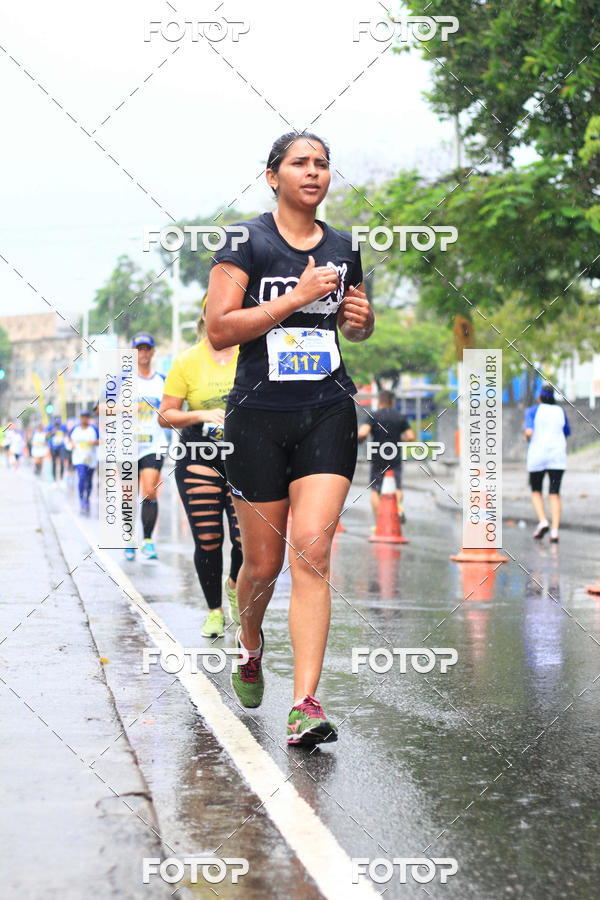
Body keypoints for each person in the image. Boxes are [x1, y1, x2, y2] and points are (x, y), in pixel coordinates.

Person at [206, 131, 374, 746]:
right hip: (256, 416)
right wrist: (295, 298)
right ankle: (249, 646)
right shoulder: (246, 241)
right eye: (300, 163)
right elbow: (220, 330)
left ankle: (305, 703)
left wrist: (361, 321)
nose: (314, 172)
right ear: (272, 175)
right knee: (262, 564)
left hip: (327, 409)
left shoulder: (344, 247)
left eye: (323, 163)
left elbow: (354, 324)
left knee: (313, 549)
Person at [159, 301, 242, 638]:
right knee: (208, 539)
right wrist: (201, 415)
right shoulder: (187, 361)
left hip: (247, 454)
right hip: (199, 453)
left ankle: (235, 584)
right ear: (206, 318)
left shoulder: (252, 354)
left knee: (245, 540)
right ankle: (214, 611)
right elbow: (165, 415)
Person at [125, 332, 167, 561]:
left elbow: (173, 406)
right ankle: (129, 540)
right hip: (128, 445)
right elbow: (99, 408)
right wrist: (122, 408)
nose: (142, 353)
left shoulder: (162, 379)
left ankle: (148, 540)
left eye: (146, 349)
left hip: (154, 443)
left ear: (152, 352)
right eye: (138, 349)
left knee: (149, 490)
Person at [357, 389, 415, 524]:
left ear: (380, 401)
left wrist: (358, 441)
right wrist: (400, 442)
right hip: (394, 456)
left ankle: (380, 523)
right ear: (392, 401)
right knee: (397, 487)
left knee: (375, 490)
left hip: (377, 456)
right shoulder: (400, 417)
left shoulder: (373, 416)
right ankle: (398, 508)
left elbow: (362, 433)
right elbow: (411, 436)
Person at [524, 381, 570, 543]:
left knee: (536, 490)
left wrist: (527, 437)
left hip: (537, 456)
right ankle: (555, 532)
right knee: (554, 493)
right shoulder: (560, 411)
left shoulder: (532, 411)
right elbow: (566, 432)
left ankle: (543, 521)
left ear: (539, 397)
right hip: (557, 457)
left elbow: (529, 432)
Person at [69, 410, 99, 513]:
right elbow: (69, 439)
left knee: (89, 481)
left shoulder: (93, 429)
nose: (84, 419)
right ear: (81, 418)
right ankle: (81, 499)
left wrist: (94, 442)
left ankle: (87, 498)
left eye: (86, 417)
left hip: (90, 460)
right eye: (83, 417)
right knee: (82, 477)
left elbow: (101, 440)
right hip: (79, 459)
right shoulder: (75, 429)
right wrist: (72, 443)